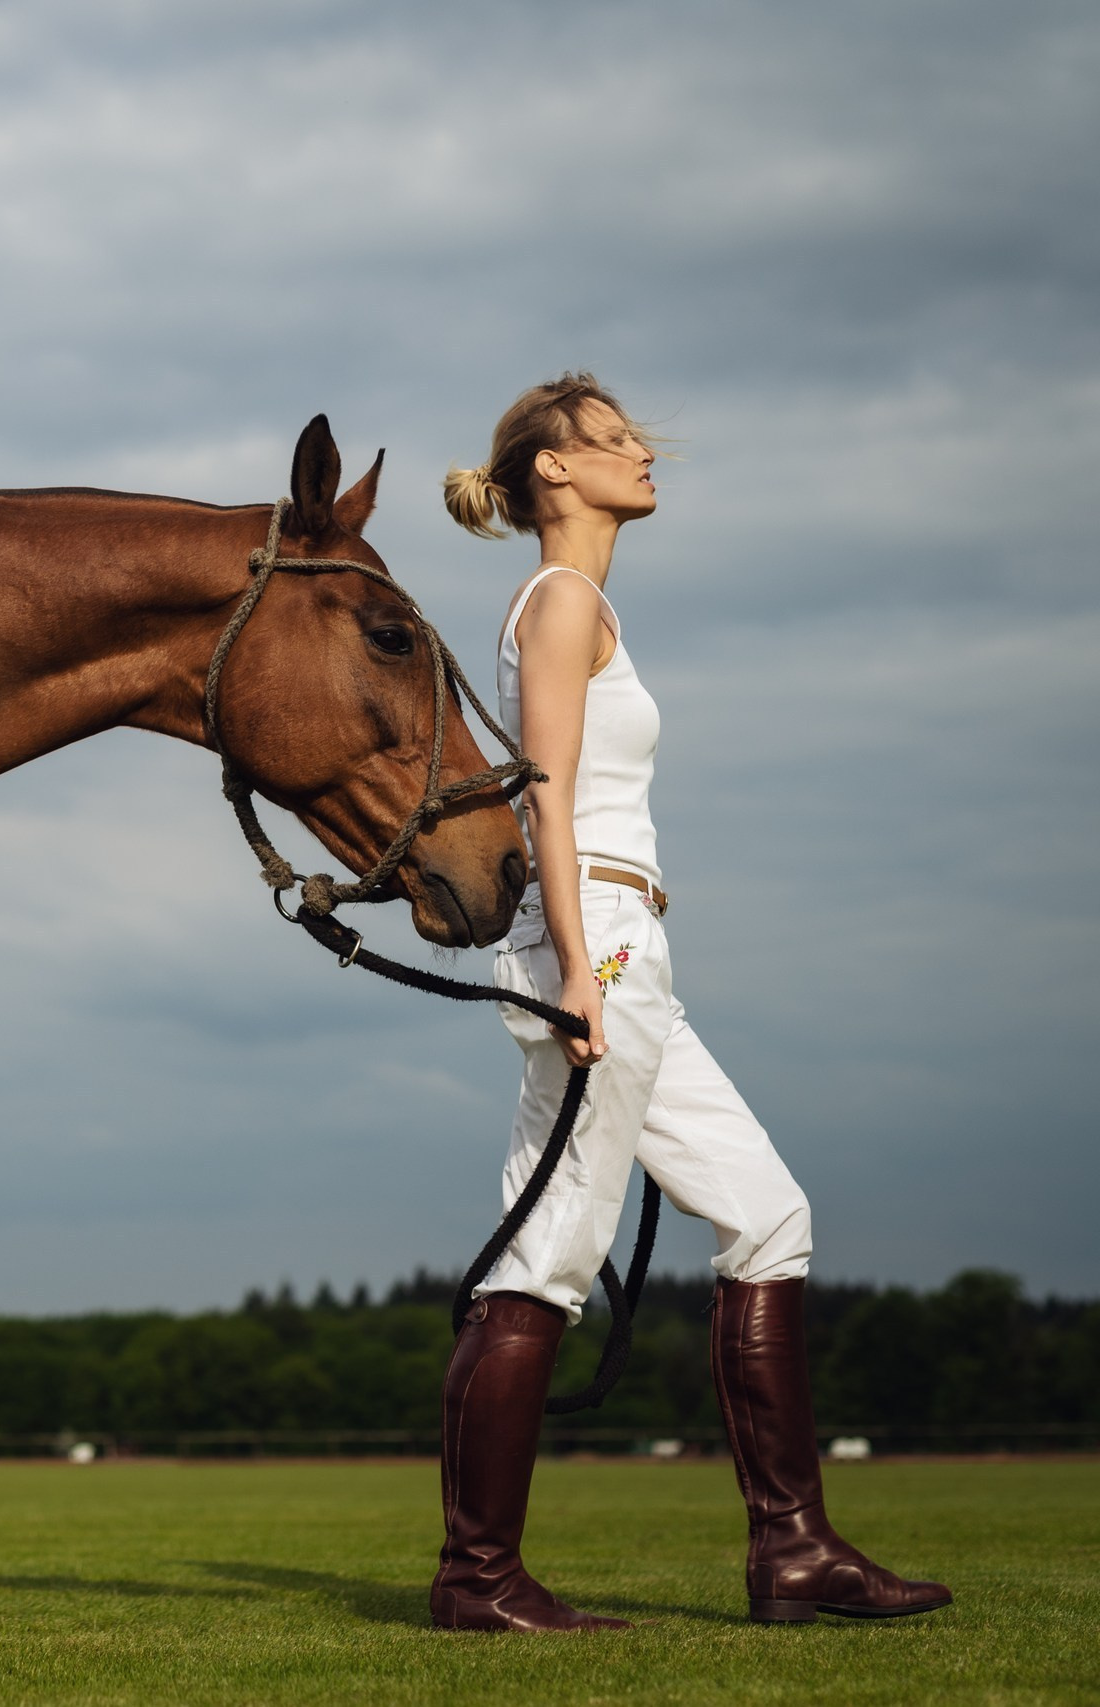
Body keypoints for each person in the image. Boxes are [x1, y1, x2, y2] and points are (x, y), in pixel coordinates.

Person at [428, 374, 951, 1633]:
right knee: (550, 1248)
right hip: (593, 942)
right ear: (553, 470)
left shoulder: (588, 605)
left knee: (769, 1217)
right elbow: (540, 797)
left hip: (627, 948)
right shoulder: (560, 602)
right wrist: (569, 965)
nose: (641, 456)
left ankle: (795, 1553)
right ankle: (477, 1580)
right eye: (611, 442)